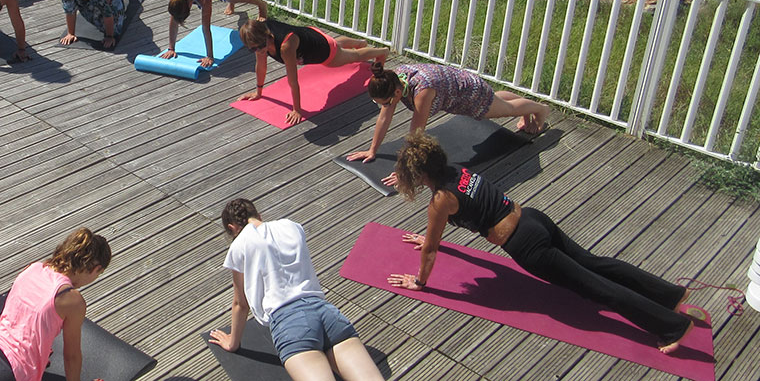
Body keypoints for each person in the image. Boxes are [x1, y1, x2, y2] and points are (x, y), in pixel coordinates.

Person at [386, 133, 694, 354]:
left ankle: (672, 326)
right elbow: (465, 211)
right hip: (533, 217)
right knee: (596, 264)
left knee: (597, 289)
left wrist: (420, 282)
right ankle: (670, 295)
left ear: (421, 174)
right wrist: (430, 236)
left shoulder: (439, 199)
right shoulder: (458, 172)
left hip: (527, 245)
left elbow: (431, 249)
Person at [210, 198, 382, 381]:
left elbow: (240, 304)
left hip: (290, 324)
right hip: (327, 314)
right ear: (259, 215)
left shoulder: (239, 245)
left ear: (232, 228)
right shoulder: (291, 226)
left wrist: (233, 343)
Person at [0, 226, 111, 381]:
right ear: (95, 269)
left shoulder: (33, 268)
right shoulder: (71, 299)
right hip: (8, 372)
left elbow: (24, 316)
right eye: (99, 274)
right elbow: (71, 356)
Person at [345, 61, 549, 172]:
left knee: (503, 110)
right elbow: (384, 118)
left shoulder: (422, 92)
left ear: (397, 94)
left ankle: (540, 109)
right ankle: (526, 105)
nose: (385, 107)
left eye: (385, 102)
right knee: (498, 103)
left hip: (469, 94)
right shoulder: (392, 80)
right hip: (457, 87)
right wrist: (372, 150)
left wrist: (404, 171)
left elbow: (416, 134)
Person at [236, 19, 388, 125]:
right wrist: (259, 92)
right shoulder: (258, 35)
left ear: (267, 36)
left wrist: (297, 109)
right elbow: (261, 66)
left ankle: (381, 52)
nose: (258, 51)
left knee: (352, 57)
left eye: (260, 47)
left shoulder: (285, 46)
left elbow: (293, 80)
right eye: (253, 49)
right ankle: (359, 43)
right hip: (310, 36)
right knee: (336, 45)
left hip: (321, 50)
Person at [163, 0, 267, 68]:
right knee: (230, 0)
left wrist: (209, 56)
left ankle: (262, 5)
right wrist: (171, 48)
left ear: (189, 3)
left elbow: (206, 27)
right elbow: (174, 19)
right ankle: (230, 3)